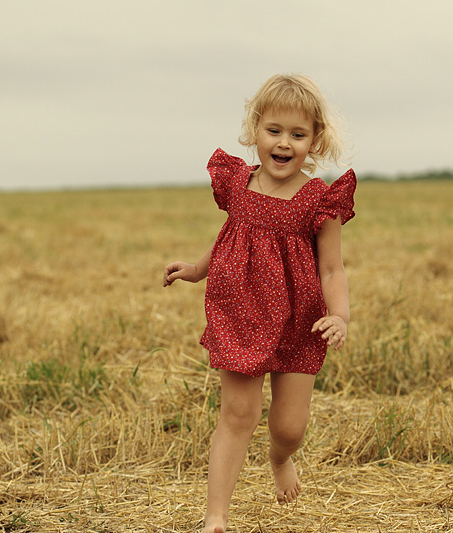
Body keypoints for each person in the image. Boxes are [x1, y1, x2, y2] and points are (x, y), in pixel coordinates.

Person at [163, 73, 356, 533]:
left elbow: (332, 270)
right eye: (274, 130)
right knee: (238, 414)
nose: (284, 143)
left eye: (298, 134)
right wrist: (196, 269)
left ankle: (280, 458)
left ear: (315, 140)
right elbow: (230, 238)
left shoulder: (319, 201)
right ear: (255, 130)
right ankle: (216, 516)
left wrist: (340, 315)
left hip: (299, 321)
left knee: (289, 427)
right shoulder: (238, 184)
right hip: (241, 313)